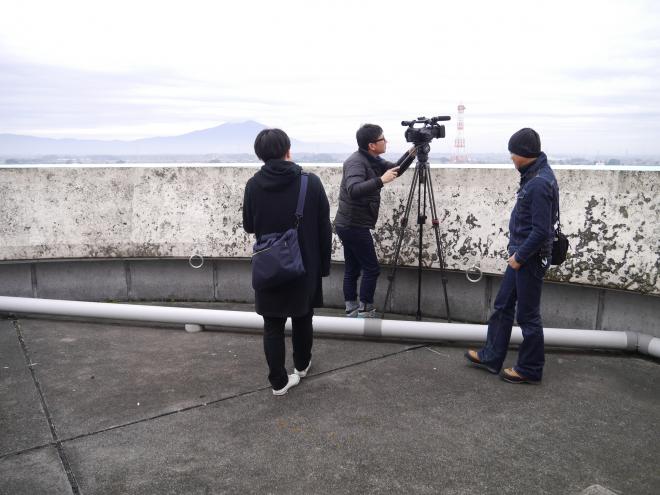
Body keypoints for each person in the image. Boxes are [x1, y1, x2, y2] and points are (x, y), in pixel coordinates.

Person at [465, 128, 559, 384]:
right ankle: (491, 356)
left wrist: (518, 258)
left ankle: (530, 369)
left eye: (513, 153)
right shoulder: (534, 175)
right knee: (503, 306)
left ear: (525, 154)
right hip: (522, 256)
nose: (511, 158)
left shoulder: (539, 183)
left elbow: (541, 230)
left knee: (528, 316)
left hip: (528, 258)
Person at [243, 128, 332, 396]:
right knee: (303, 317)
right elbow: (324, 229)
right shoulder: (310, 182)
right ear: (288, 150)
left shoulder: (253, 185)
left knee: (272, 325)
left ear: (260, 154)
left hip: (270, 265)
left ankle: (279, 382)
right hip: (304, 264)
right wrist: (323, 268)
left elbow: (249, 226)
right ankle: (302, 366)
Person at [334, 124, 416, 318]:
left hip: (349, 223)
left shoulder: (371, 159)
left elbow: (396, 170)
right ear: (372, 145)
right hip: (353, 225)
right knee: (371, 268)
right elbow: (353, 189)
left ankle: (351, 308)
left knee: (353, 267)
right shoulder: (356, 162)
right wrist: (381, 181)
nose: (386, 141)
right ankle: (365, 310)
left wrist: (412, 152)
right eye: (382, 139)